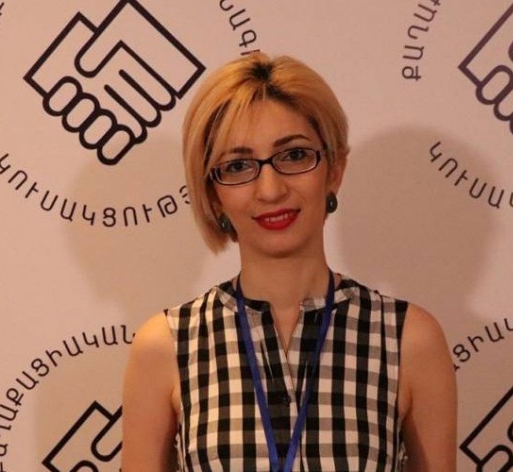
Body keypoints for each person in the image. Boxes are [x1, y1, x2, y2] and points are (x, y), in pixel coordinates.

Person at [122, 52, 457, 471]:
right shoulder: (167, 345)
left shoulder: (408, 338)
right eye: (238, 166)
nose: (270, 189)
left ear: (334, 169)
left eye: (294, 156)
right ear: (212, 193)